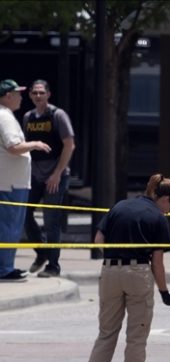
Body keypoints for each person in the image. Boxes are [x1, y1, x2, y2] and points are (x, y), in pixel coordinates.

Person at [73, 174, 170, 362]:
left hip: (109, 272)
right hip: (138, 272)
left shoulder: (119, 206)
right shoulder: (157, 218)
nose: (169, 210)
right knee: (136, 336)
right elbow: (158, 262)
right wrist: (164, 291)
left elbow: (99, 239)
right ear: (165, 198)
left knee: (106, 332)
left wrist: (115, 258)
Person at [23, 79, 76, 278]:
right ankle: (42, 252)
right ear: (30, 95)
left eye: (41, 93)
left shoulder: (57, 115)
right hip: (34, 175)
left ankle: (53, 266)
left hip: (56, 176)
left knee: (51, 220)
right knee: (24, 216)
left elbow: (69, 145)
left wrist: (57, 174)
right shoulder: (28, 117)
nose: (38, 96)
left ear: (48, 94)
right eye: (34, 93)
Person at [0, 79, 51, 282]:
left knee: (7, 225)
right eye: (18, 93)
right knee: (10, 227)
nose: (22, 97)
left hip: (8, 181)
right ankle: (4, 269)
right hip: (11, 183)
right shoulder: (5, 117)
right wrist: (35, 143)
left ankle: (4, 266)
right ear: (8, 96)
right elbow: (13, 147)